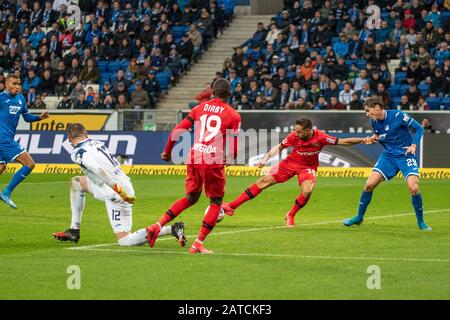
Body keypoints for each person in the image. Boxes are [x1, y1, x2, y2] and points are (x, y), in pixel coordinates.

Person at [145, 79, 241, 254]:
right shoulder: (233, 115)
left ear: (212, 91)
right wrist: (231, 157)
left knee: (191, 198)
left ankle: (157, 226)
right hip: (212, 160)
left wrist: (167, 151)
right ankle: (198, 243)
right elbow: (234, 146)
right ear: (230, 93)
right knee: (216, 202)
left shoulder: (199, 108)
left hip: (194, 156)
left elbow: (178, 130)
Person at [52, 123, 186, 246]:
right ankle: (74, 229)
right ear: (85, 133)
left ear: (69, 139)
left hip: (115, 191)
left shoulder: (77, 152)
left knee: (125, 240)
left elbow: (97, 169)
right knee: (76, 183)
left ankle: (172, 229)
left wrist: (114, 186)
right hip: (114, 185)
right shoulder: (96, 143)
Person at [221, 118, 372, 227]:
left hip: (308, 168)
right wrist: (266, 158)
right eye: (295, 131)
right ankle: (231, 206)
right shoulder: (294, 136)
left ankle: (291, 214)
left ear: (308, 130)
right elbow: (279, 147)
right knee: (263, 181)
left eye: (299, 132)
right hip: (290, 163)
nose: (296, 134)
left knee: (307, 191)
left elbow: (343, 142)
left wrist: (363, 140)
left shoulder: (320, 137)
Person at [343, 97, 431, 231]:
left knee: (413, 188)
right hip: (388, 156)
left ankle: (421, 222)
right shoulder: (374, 123)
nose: (367, 114)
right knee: (369, 185)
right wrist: (373, 139)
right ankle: (359, 217)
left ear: (377, 107)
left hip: (405, 155)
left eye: (368, 111)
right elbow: (380, 137)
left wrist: (413, 145)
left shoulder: (398, 115)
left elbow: (419, 129)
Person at [0, 74, 49, 209]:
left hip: (7, 138)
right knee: (30, 164)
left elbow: (27, 118)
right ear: (6, 85)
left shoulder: (21, 99)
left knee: (1, 167)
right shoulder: (1, 98)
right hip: (2, 138)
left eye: (19, 84)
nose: (17, 86)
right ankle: (6, 192)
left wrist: (39, 117)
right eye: (14, 84)